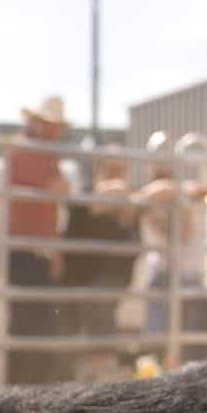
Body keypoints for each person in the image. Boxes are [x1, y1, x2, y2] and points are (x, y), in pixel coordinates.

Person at [0, 94, 71, 383]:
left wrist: (54, 250)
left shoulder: (38, 151)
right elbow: (53, 190)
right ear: (37, 123)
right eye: (50, 124)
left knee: (34, 326)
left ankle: (23, 391)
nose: (56, 131)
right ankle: (21, 392)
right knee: (30, 328)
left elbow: (52, 200)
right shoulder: (27, 149)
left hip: (32, 251)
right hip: (23, 250)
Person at [134, 131, 207, 365]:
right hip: (162, 274)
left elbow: (184, 232)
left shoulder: (189, 191)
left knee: (194, 350)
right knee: (157, 345)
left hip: (190, 275)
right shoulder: (149, 196)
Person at [61, 157, 140, 376]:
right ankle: (83, 368)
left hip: (110, 275)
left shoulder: (129, 200)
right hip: (79, 275)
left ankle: (104, 366)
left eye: (120, 170)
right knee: (75, 319)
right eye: (111, 169)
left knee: (98, 304)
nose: (116, 175)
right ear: (100, 170)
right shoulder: (86, 195)